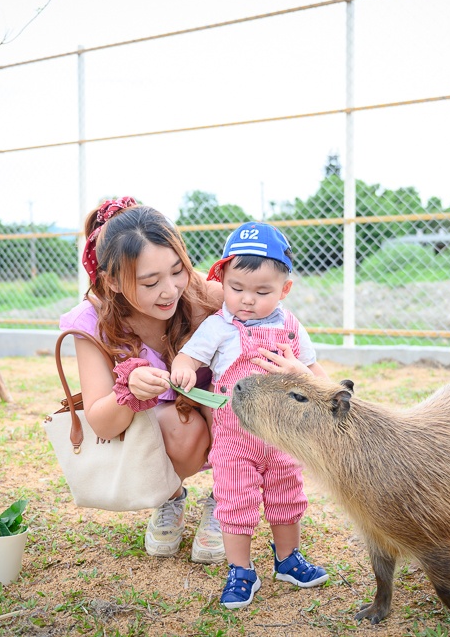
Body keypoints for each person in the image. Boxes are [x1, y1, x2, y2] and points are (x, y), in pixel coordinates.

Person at [60, 199, 314, 564]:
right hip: (165, 431)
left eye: (178, 270)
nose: (170, 290)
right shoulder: (94, 322)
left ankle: (225, 497)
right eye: (150, 282)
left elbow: (272, 317)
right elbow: (100, 420)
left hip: (228, 425)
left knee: (227, 391)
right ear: (112, 282)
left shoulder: (208, 296)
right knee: (179, 427)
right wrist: (129, 392)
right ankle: (169, 495)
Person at [169, 221, 329, 609]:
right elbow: (189, 356)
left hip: (284, 435)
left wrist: (303, 375)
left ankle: (288, 559)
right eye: (237, 288)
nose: (247, 300)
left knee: (287, 494)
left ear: (284, 289)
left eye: (262, 292)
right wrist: (185, 368)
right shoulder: (218, 327)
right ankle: (241, 570)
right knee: (235, 500)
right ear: (222, 280)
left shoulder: (291, 327)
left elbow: (316, 373)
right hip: (234, 436)